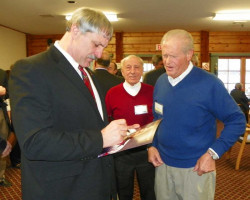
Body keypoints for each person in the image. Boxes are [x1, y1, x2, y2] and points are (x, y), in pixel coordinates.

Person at [9, 7, 139, 200]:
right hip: (62, 190)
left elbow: (85, 124)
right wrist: (101, 138)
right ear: (76, 30)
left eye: (103, 47)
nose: (99, 53)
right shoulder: (31, 69)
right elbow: (35, 142)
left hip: (96, 185)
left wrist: (119, 135)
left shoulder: (89, 75)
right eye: (96, 44)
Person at [148, 29, 246, 200]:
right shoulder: (161, 81)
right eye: (164, 55)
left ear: (189, 55)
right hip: (162, 165)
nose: (167, 62)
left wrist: (213, 153)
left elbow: (237, 120)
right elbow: (157, 118)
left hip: (196, 169)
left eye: (173, 56)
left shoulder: (209, 83)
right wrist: (152, 145)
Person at [105, 55, 156, 200]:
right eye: (128, 67)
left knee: (149, 191)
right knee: (123, 192)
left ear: (142, 70)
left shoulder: (152, 91)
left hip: (146, 150)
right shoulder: (112, 93)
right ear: (122, 71)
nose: (132, 71)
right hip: (122, 152)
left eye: (136, 67)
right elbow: (107, 120)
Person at [0, 69, 12, 187]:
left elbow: (8, 92)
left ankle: (1, 176)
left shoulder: (2, 73)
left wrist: (4, 92)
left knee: (3, 142)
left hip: (0, 111)